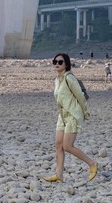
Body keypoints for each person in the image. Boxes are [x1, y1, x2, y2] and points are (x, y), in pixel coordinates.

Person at [42, 53, 98, 183]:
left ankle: (92, 163)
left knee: (67, 146)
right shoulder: (57, 80)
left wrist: (84, 113)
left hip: (73, 115)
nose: (57, 64)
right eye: (55, 61)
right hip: (62, 116)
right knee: (58, 145)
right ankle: (58, 175)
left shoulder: (70, 78)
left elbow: (80, 97)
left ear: (66, 64)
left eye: (60, 62)